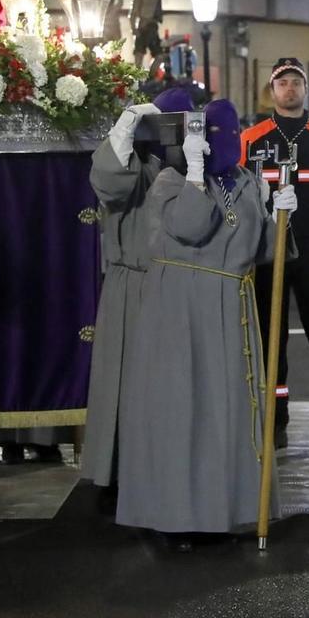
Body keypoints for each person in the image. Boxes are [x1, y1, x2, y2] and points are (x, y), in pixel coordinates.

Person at [115, 100, 280, 546]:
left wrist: (279, 212)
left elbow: (264, 252)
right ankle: (172, 516)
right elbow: (189, 226)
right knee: (182, 409)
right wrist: (192, 174)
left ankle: (222, 511)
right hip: (181, 310)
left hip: (231, 306)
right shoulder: (170, 181)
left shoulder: (245, 182)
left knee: (224, 413)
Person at [83, 87, 194, 508]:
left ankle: (167, 468)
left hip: (181, 284)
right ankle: (118, 473)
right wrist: (126, 127)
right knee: (125, 383)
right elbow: (108, 186)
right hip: (134, 285)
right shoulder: (134, 162)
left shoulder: (197, 165)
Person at [241, 57, 309, 448]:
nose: (290, 88)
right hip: (266, 255)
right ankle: (275, 418)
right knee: (272, 338)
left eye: (296, 82)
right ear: (272, 91)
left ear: (306, 90)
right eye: (282, 82)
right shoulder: (250, 139)